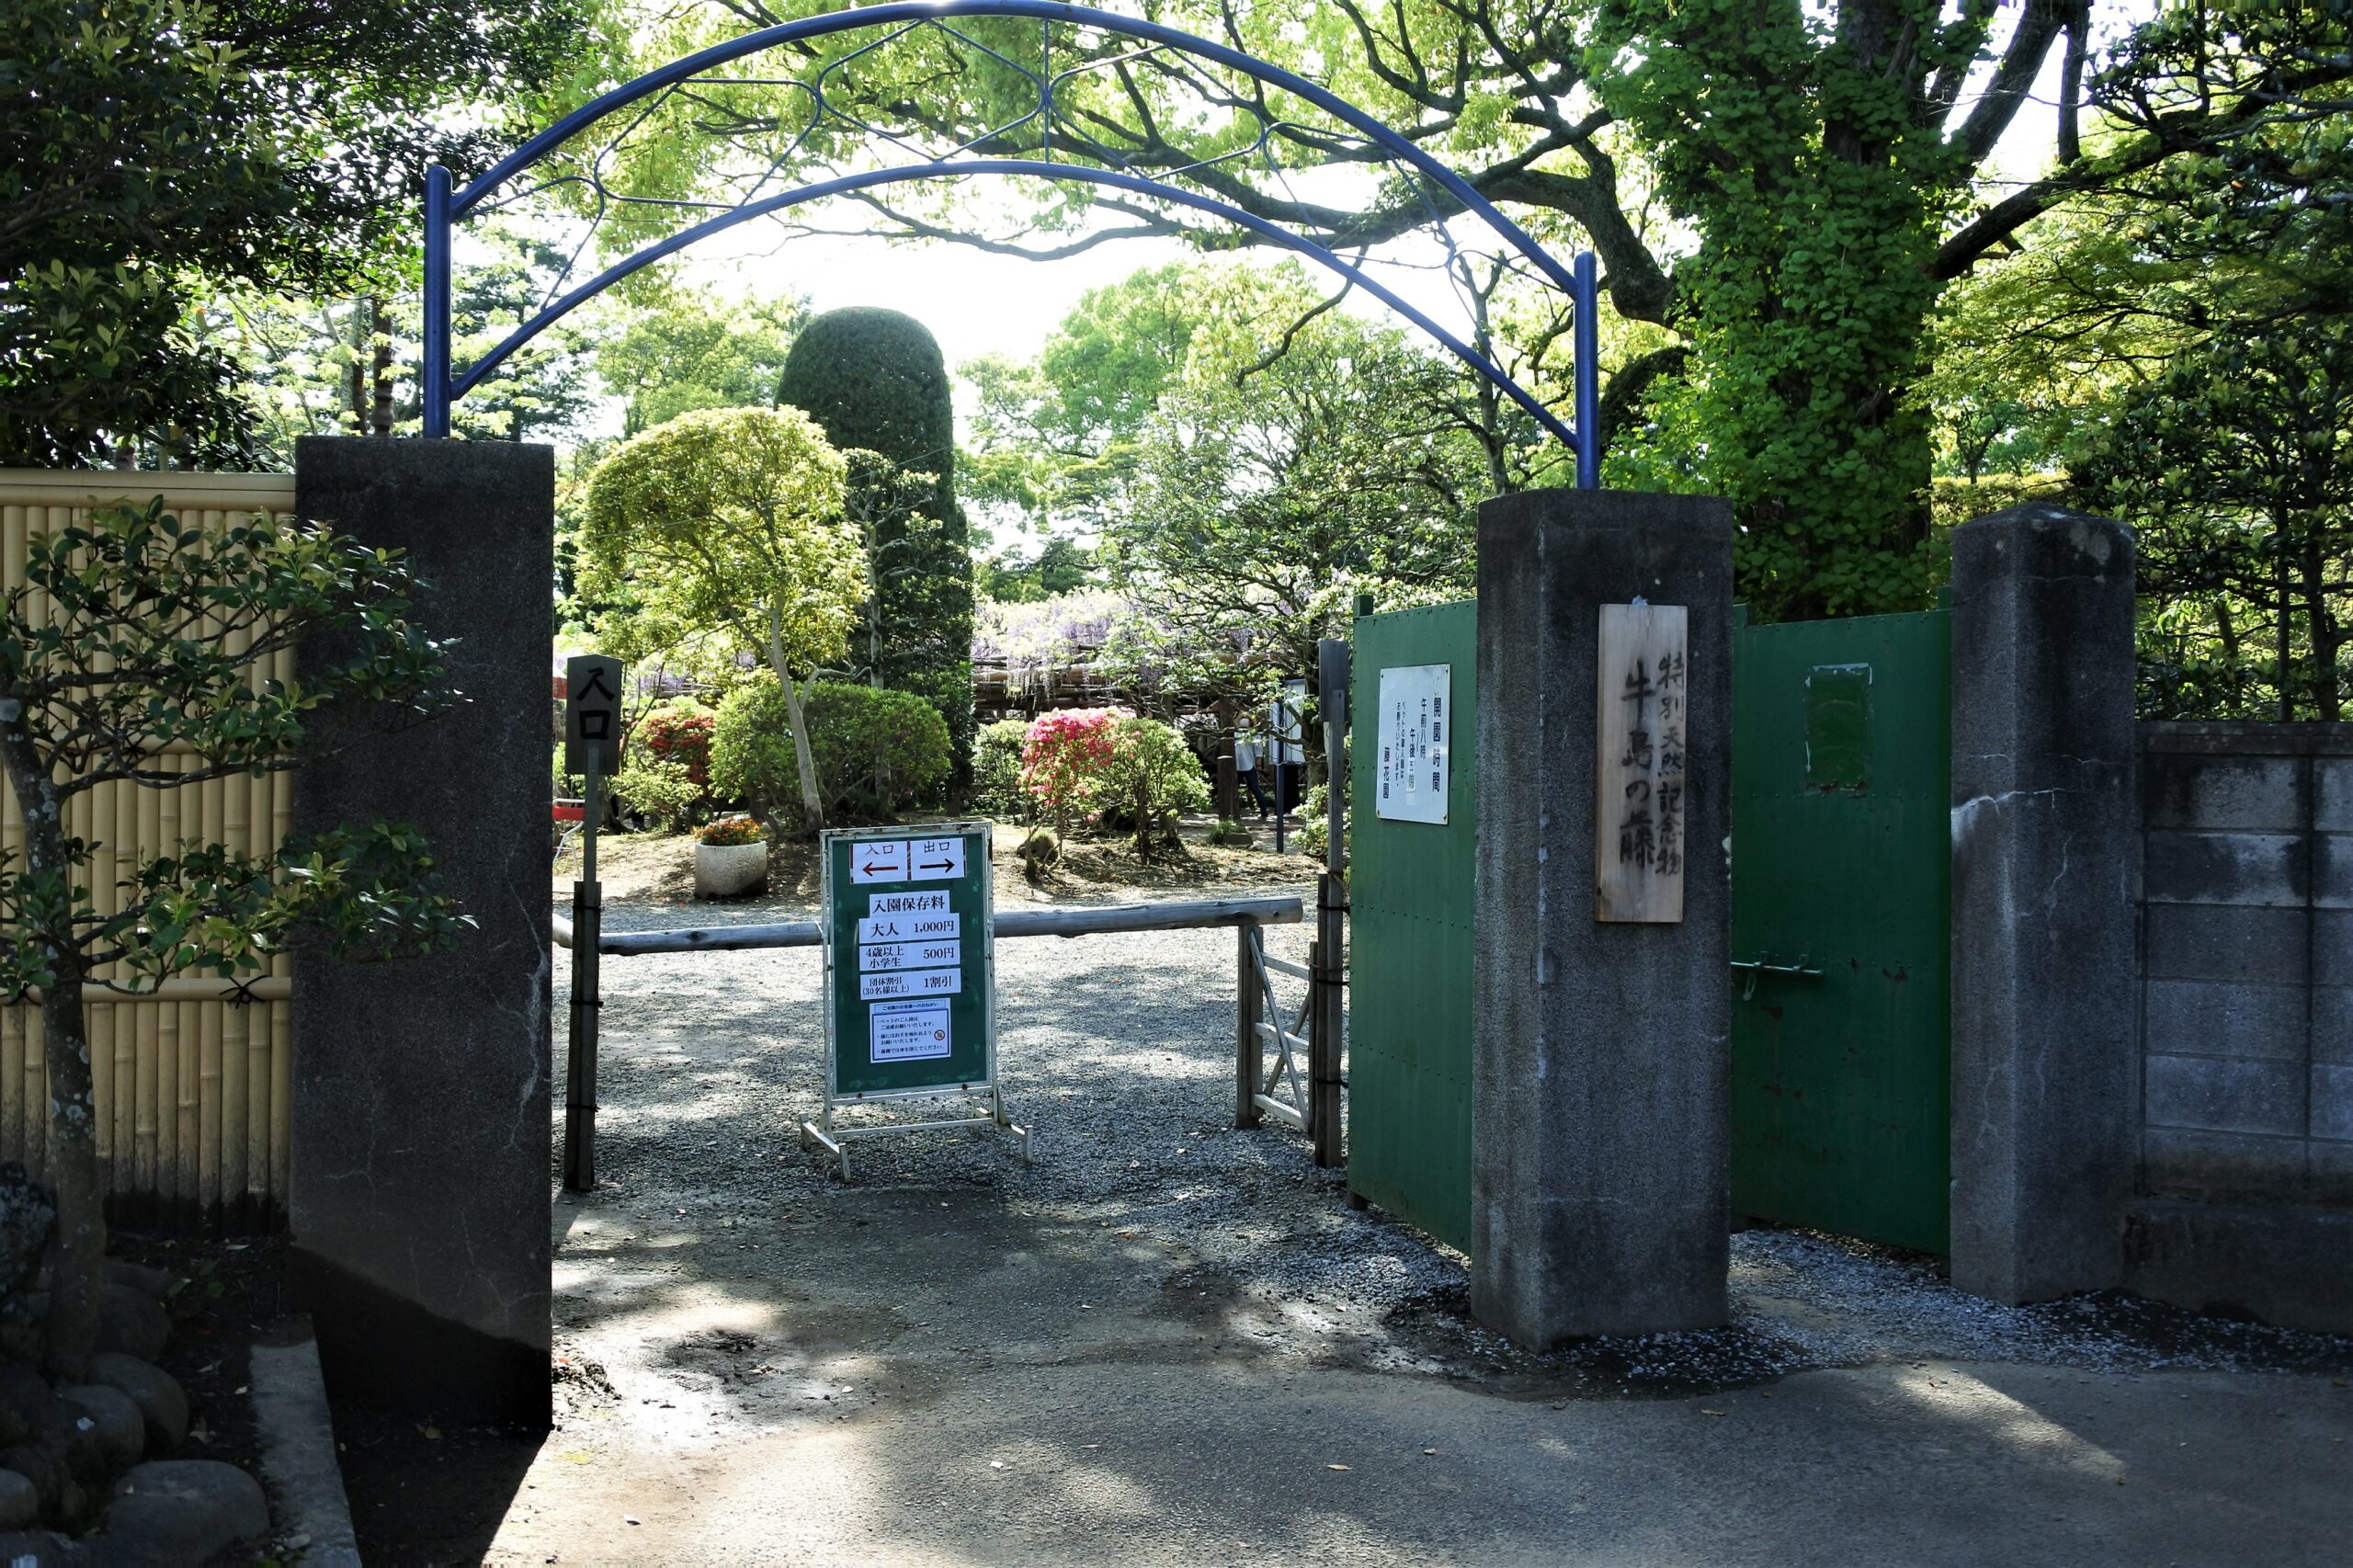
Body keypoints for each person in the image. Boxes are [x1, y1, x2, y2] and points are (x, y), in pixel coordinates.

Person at [1233, 727, 1271, 819]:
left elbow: (1258, 751)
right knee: (1233, 789)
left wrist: (1258, 765)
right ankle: (1232, 811)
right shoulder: (1235, 733)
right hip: (1237, 765)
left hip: (1248, 765)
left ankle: (1263, 811)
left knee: (1255, 788)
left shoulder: (1254, 734)